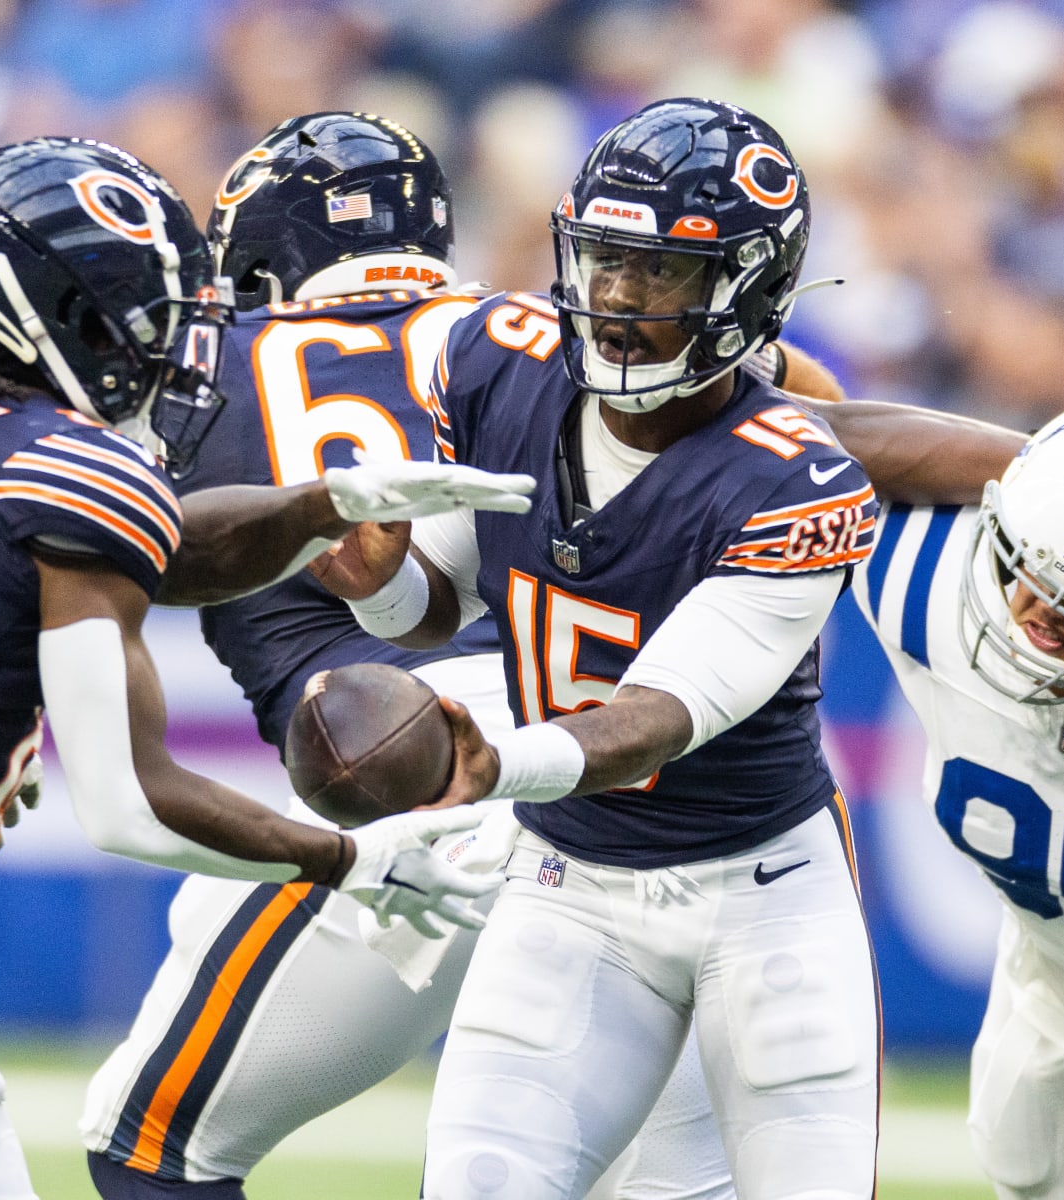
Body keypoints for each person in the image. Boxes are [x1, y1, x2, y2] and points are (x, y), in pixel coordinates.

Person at [81, 110, 846, 1200]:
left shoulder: (201, 366)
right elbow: (814, 417)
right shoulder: (545, 327)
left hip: (384, 775)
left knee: (151, 1145)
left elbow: (67, 533)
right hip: (600, 778)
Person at [0, 134, 534, 1200]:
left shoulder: (8, 453)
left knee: (136, 1140)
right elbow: (128, 801)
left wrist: (319, 505)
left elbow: (172, 544)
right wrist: (344, 862)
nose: (167, 339)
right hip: (577, 755)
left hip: (427, 761)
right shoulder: (54, 464)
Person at [313, 96, 884, 1199]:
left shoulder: (793, 477)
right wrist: (382, 586)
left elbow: (659, 716)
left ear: (747, 288)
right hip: (569, 881)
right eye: (604, 260)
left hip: (761, 896)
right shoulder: (499, 364)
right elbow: (443, 598)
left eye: (660, 272)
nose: (617, 299)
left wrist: (492, 760)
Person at [853, 393, 1064, 1200]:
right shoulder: (926, 588)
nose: (1034, 613)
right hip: (1057, 978)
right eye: (1023, 567)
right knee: (1024, 1173)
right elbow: (801, 433)